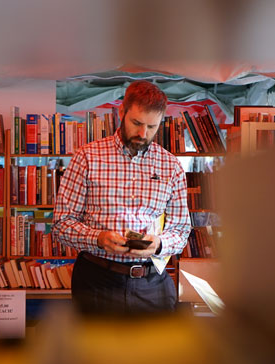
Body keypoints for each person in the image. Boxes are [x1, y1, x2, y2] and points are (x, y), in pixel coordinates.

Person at [52, 81, 191, 315]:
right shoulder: (87, 157)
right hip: (97, 281)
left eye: (151, 126)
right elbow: (61, 224)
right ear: (121, 112)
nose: (142, 134)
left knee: (159, 351)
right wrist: (97, 238)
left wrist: (158, 244)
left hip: (152, 283)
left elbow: (181, 230)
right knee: (95, 352)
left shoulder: (171, 166)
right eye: (136, 123)